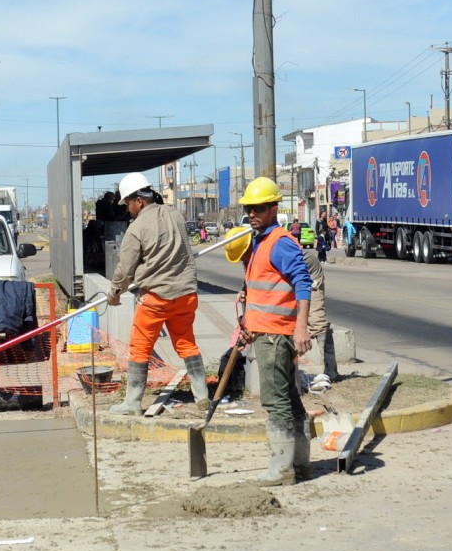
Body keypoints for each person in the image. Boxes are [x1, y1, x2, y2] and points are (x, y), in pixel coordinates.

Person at [105, 172, 211, 415]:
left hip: (155, 298)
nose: (128, 209)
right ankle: (202, 395)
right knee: (186, 343)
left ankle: (132, 403)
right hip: (185, 295)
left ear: (139, 201)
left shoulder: (137, 227)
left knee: (140, 348)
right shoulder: (175, 215)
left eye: (128, 204)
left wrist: (114, 293)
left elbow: (125, 268)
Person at [235, 177, 313, 486]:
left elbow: (303, 283)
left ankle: (282, 470)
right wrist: (249, 326)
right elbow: (265, 293)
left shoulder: (279, 242)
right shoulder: (260, 241)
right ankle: (301, 465)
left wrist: (301, 328)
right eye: (249, 208)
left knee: (276, 402)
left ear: (273, 209)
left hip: (277, 338)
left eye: (259, 208)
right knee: (291, 400)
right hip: (266, 332)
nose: (252, 213)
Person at [301, 246, 340, 382]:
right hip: (290, 275)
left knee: (317, 320)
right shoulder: (253, 255)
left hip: (311, 274)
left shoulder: (278, 253)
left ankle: (331, 370)